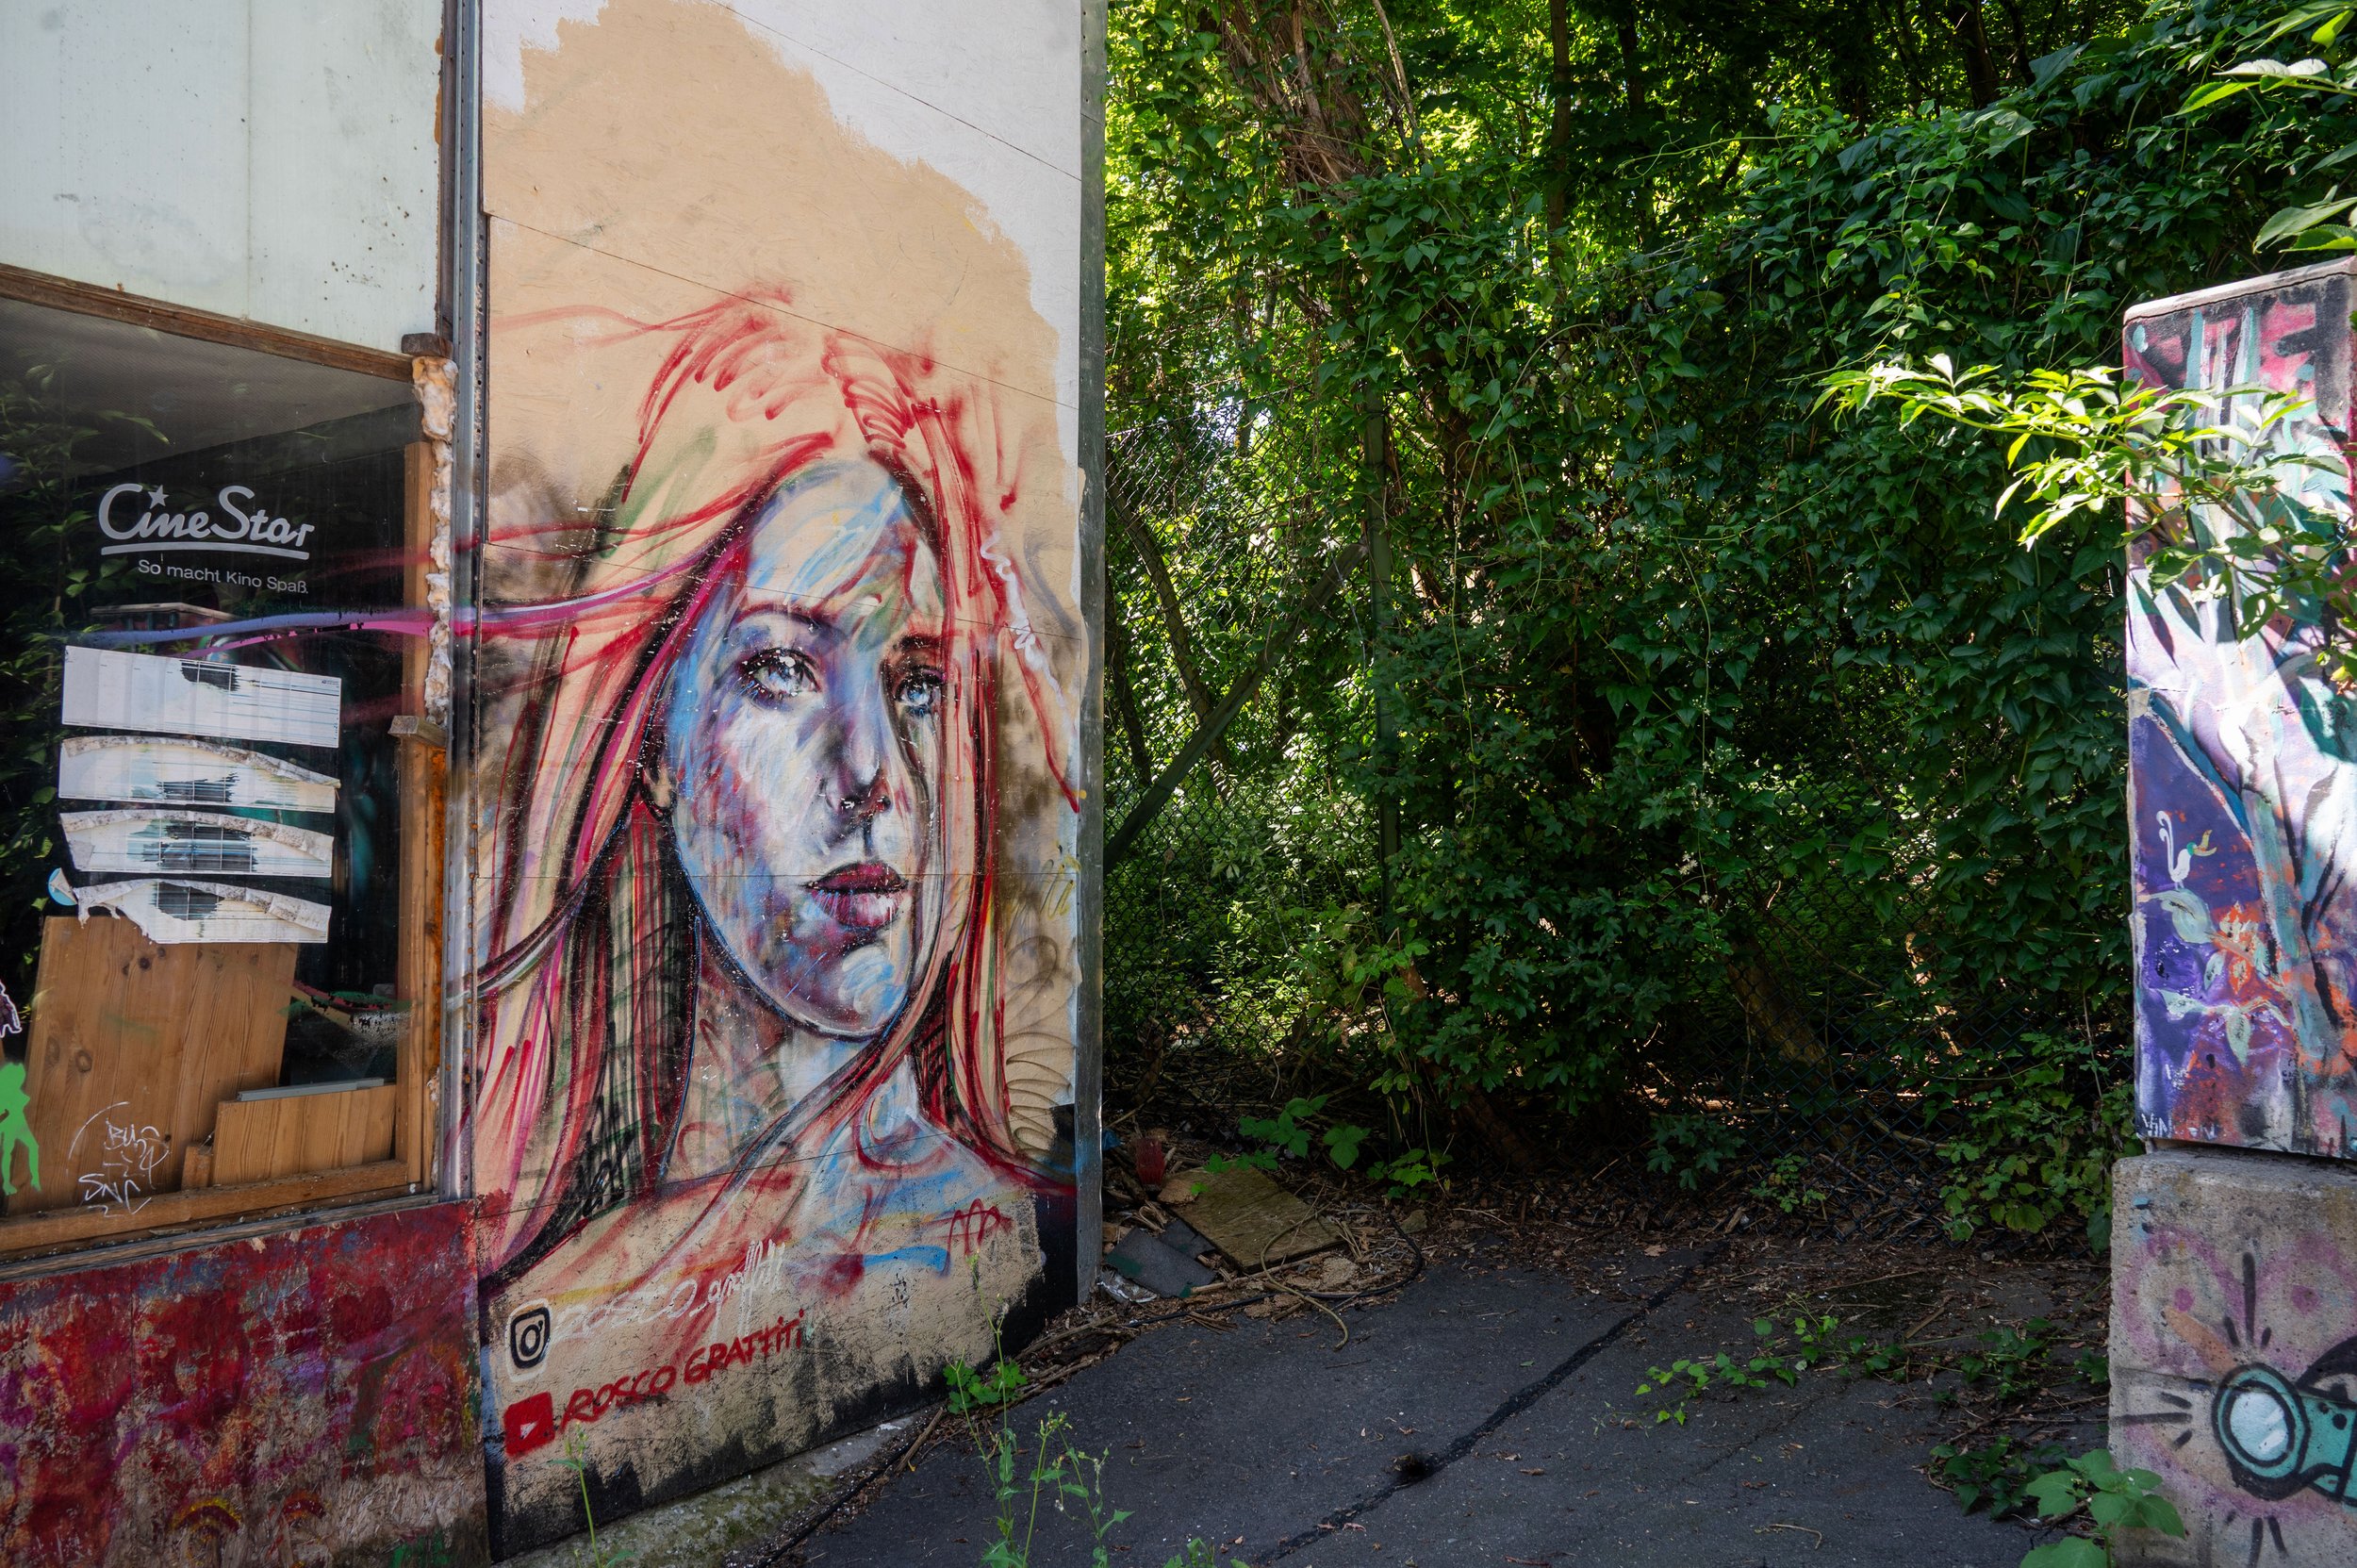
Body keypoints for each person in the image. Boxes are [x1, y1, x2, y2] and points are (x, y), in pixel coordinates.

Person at [470, 296, 1079, 1329]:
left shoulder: (1008, 1227)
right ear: (652, 738)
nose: (871, 771)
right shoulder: (547, 1304)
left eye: (916, 682)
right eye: (783, 668)